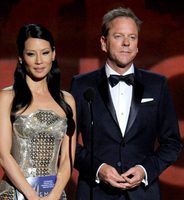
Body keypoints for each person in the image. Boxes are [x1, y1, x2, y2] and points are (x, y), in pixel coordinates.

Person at [70, 7, 182, 200]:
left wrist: (144, 170)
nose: (126, 43)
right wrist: (98, 169)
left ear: (137, 45)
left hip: (143, 195)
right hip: (95, 194)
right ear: (104, 43)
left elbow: (172, 143)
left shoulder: (157, 85)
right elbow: (67, 143)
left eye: (132, 37)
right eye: (118, 36)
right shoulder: (82, 85)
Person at [0, 24, 76, 200]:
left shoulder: (66, 101)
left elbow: (67, 159)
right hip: (15, 194)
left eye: (45, 53)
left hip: (54, 196)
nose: (39, 61)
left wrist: (54, 196)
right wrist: (32, 196)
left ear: (53, 54)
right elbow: (3, 155)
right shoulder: (7, 97)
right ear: (21, 58)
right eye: (31, 54)